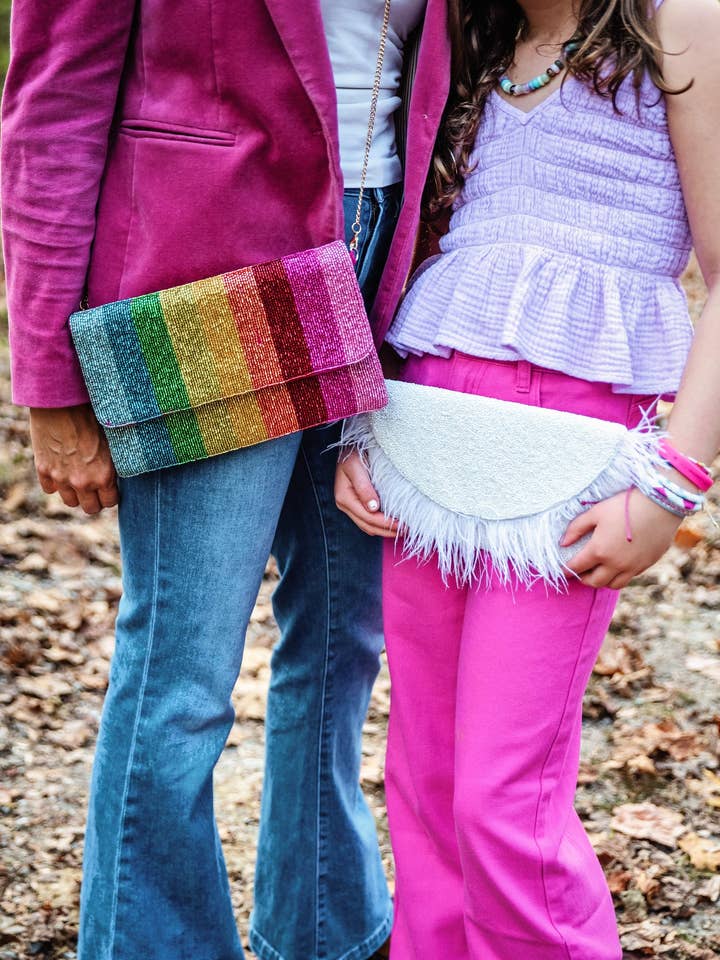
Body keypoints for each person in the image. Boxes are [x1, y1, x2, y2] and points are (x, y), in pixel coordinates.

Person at [0, 2, 450, 958]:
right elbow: (52, 107)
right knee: (183, 673)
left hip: (387, 264)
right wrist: (48, 379)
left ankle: (325, 930)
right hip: (207, 272)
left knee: (342, 646)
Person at [336, 0, 720, 956]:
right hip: (427, 435)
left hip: (569, 462)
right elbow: (420, 254)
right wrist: (361, 429)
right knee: (422, 779)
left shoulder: (683, 22)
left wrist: (673, 483)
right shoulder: (470, 39)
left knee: (502, 798)